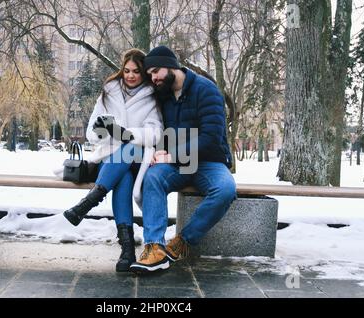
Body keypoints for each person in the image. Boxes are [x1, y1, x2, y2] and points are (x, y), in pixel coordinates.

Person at [129, 46, 237, 274]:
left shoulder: (206, 90)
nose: (153, 78)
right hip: (177, 163)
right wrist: (157, 151)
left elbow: (211, 137)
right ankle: (155, 248)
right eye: (149, 74)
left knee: (225, 189)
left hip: (209, 161)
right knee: (153, 177)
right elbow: (155, 126)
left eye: (156, 71)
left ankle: (183, 242)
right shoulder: (162, 93)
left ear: (172, 66)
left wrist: (172, 154)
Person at [62, 48, 163, 272]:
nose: (130, 75)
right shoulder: (108, 92)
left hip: (138, 158)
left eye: (136, 71)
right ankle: (127, 249)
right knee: (122, 177)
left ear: (143, 72)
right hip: (110, 161)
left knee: (129, 153)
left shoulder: (152, 95)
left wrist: (127, 135)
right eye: (126, 70)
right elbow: (90, 132)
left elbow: (156, 132)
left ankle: (89, 202)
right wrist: (105, 131)